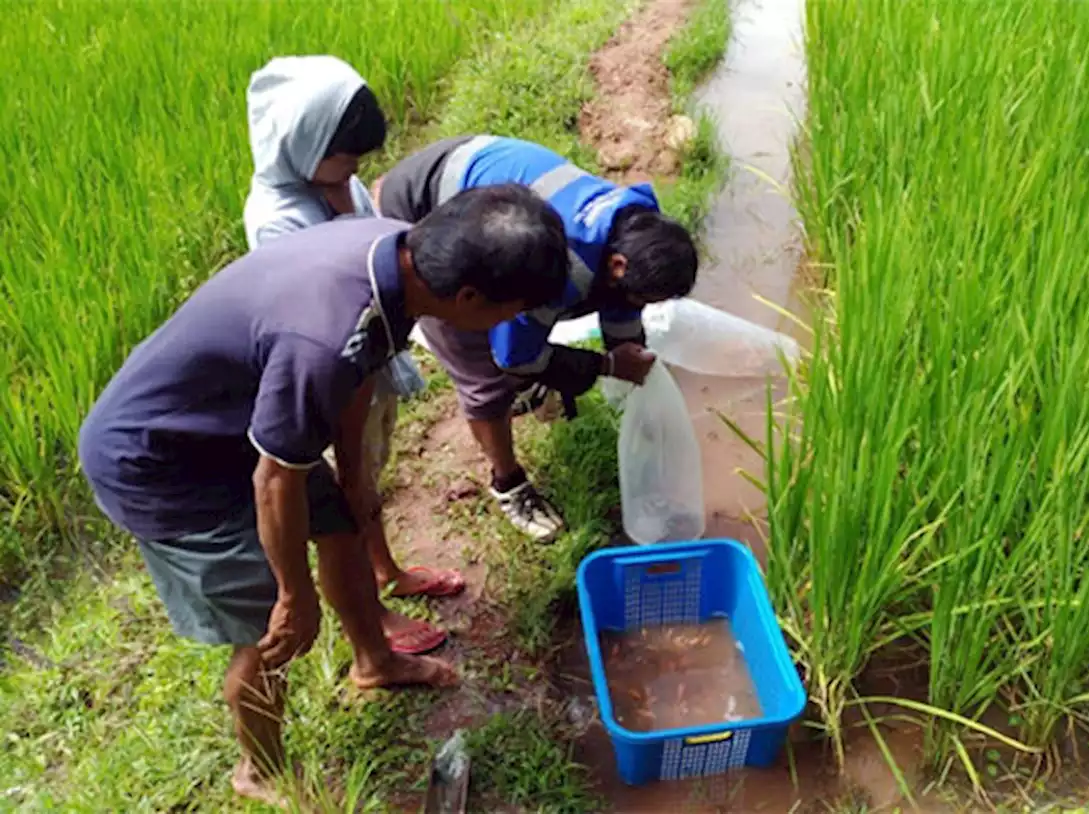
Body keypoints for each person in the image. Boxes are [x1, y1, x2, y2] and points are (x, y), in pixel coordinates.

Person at [78, 185, 569, 806]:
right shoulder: (328, 331)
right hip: (162, 461)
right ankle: (258, 770)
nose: (506, 325)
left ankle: (375, 661)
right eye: (509, 311)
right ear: (468, 296)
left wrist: (355, 474)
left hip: (238, 421)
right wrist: (293, 592)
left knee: (341, 520)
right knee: (270, 631)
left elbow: (358, 363)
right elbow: (276, 476)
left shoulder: (397, 257)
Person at [374, 135, 698, 542]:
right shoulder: (563, 268)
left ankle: (530, 391)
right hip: (423, 208)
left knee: (534, 344)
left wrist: (629, 358)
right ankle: (509, 485)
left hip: (480, 177)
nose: (641, 304)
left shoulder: (634, 223)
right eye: (644, 297)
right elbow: (513, 356)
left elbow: (622, 305)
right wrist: (608, 366)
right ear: (617, 265)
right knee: (486, 375)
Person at [243, 55, 457, 654]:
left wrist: (343, 193)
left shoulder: (337, 182)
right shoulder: (278, 220)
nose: (355, 171)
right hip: (329, 380)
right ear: (303, 144)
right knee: (346, 496)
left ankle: (385, 567)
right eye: (344, 158)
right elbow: (327, 323)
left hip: (367, 363)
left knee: (368, 482)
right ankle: (373, 610)